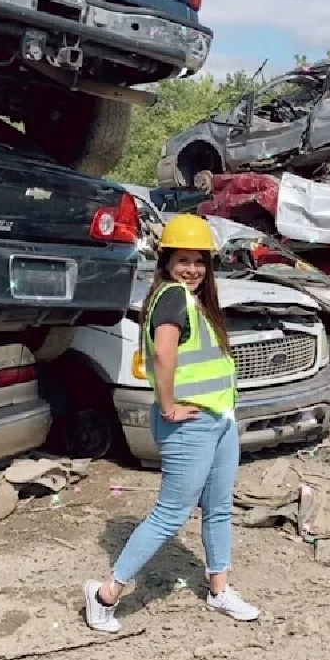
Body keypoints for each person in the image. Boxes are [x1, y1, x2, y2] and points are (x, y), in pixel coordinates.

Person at [83, 214, 259, 632]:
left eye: (199, 261)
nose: (192, 269)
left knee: (218, 509)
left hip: (218, 418)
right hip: (188, 423)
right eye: (183, 260)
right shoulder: (172, 296)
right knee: (171, 513)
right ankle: (105, 594)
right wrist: (167, 407)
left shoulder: (196, 301)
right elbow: (163, 355)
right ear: (166, 261)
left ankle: (219, 589)